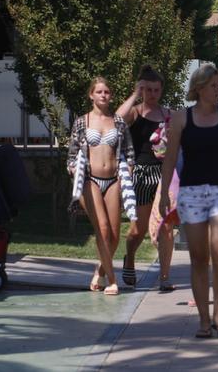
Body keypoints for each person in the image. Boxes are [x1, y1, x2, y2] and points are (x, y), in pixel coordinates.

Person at [159, 63, 218, 339]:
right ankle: (204, 319)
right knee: (199, 257)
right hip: (191, 192)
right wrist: (163, 194)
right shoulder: (182, 118)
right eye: (213, 86)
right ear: (199, 88)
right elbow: (170, 157)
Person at [67, 77, 135, 296]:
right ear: (91, 95)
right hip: (90, 179)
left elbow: (129, 152)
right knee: (103, 229)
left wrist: (129, 173)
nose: (103, 95)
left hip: (114, 179)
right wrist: (73, 169)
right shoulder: (82, 122)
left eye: (107, 92)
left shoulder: (118, 122)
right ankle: (112, 280)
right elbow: (71, 154)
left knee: (115, 234)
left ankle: (100, 269)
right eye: (99, 92)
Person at [117, 66, 175, 292]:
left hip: (163, 174)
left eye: (156, 90)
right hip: (141, 173)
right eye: (148, 90)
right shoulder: (135, 112)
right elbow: (117, 120)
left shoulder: (167, 114)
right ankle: (130, 256)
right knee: (137, 230)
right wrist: (134, 95)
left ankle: (164, 276)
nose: (152, 94)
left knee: (166, 226)